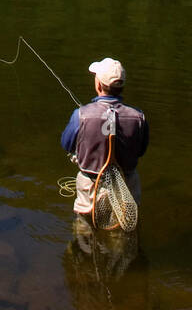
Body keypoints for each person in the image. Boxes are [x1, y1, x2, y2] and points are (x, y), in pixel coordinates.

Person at [61, 57, 149, 221]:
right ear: (122, 86)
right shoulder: (139, 117)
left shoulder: (80, 114)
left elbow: (66, 144)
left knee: (85, 227)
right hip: (127, 183)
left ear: (98, 85)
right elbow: (142, 150)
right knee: (124, 229)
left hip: (91, 184)